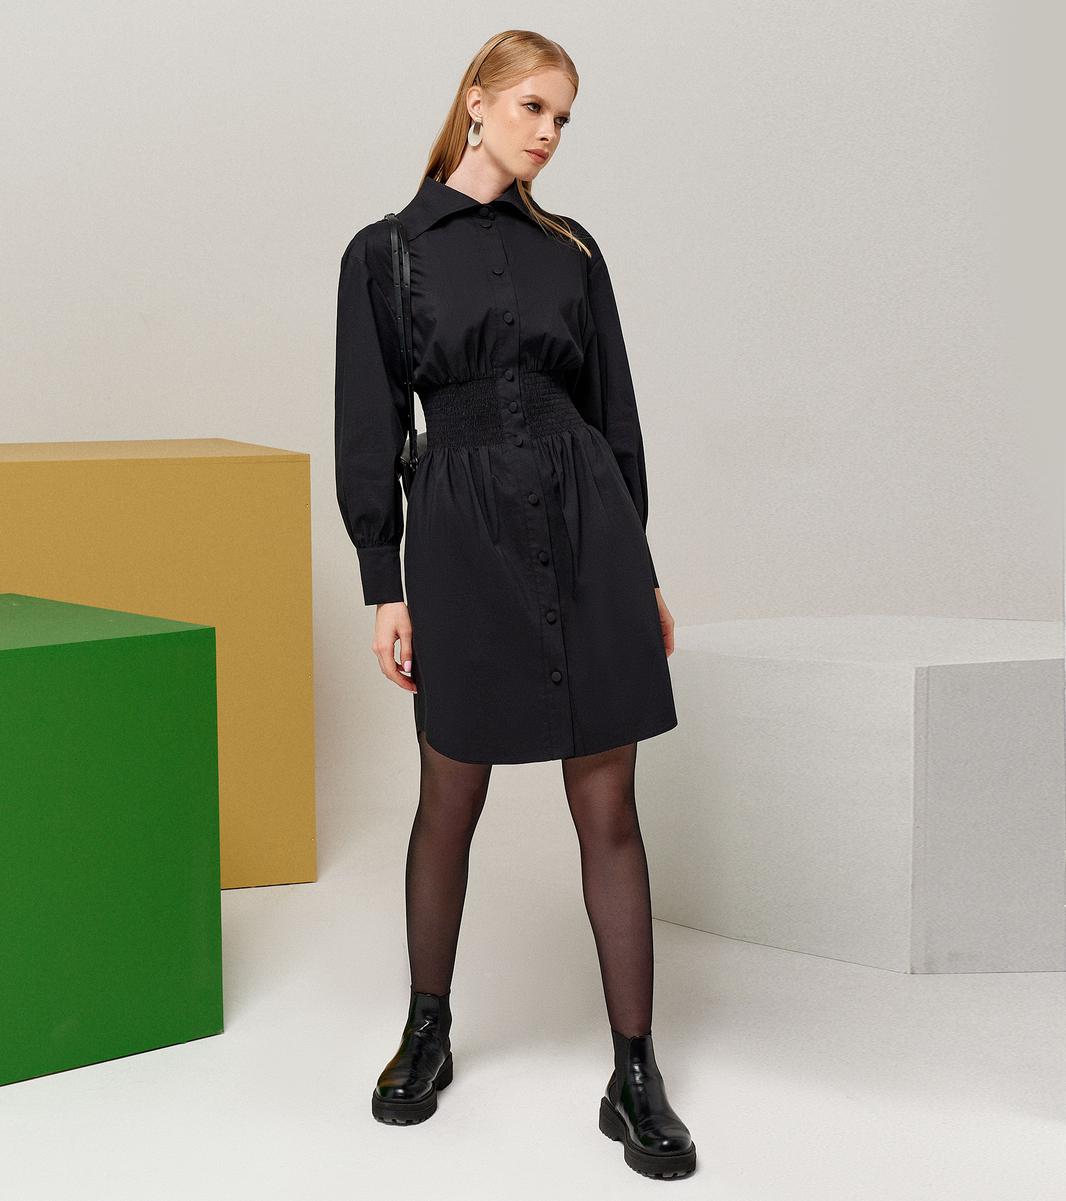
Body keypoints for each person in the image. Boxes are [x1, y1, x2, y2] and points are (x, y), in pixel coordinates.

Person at [334, 29, 696, 1179]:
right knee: (450, 793)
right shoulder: (385, 254)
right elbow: (369, 429)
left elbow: (615, 413)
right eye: (535, 107)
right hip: (458, 536)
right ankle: (426, 1029)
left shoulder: (572, 251)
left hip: (587, 528)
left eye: (564, 117)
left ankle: (633, 1073)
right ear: (477, 102)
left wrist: (641, 570)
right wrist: (383, 584)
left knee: (610, 804)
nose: (549, 132)